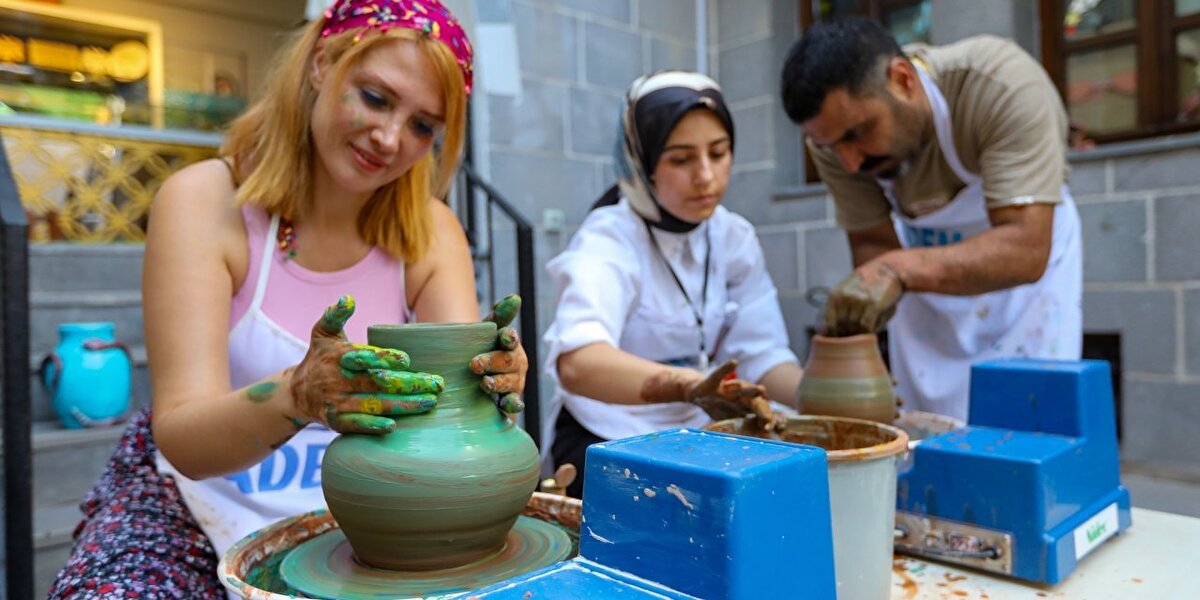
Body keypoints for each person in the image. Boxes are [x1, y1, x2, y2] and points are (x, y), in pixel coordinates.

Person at [49, 1, 529, 597]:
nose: (389, 138)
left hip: (375, 512)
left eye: (422, 126)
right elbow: (183, 441)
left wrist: (493, 379)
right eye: (377, 98)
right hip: (198, 498)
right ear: (322, 63)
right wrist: (299, 393)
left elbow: (457, 419)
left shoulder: (430, 231)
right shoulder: (205, 202)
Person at [779, 17, 1082, 422]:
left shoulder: (998, 84)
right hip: (922, 284)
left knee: (1026, 426)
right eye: (830, 146)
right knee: (928, 435)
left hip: (1023, 287)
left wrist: (893, 268)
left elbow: (1025, 247)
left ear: (902, 80)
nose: (849, 162)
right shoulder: (833, 144)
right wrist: (856, 319)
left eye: (857, 133)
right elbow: (873, 244)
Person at [543, 71, 804, 498]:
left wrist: (820, 395)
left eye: (718, 153)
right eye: (681, 160)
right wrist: (685, 386)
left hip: (701, 435)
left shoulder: (733, 236)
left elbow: (762, 352)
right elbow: (579, 362)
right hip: (608, 434)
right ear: (640, 162)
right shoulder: (610, 236)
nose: (705, 176)